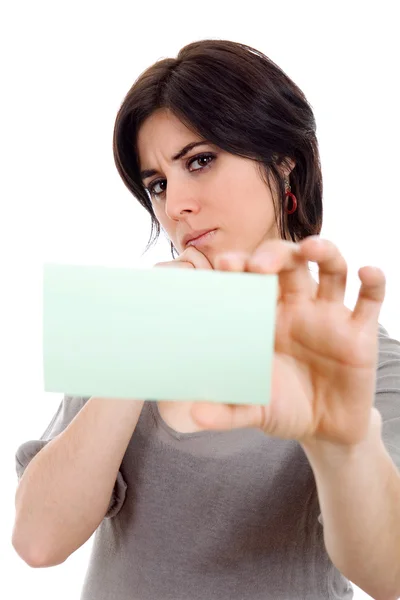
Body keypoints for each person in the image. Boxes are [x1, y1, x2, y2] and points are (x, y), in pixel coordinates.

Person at [12, 39, 400, 600]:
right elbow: (38, 542)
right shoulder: (130, 334)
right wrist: (144, 343)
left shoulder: (365, 361)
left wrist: (342, 446)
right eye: (158, 184)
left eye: (200, 161)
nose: (175, 206)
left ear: (283, 158)